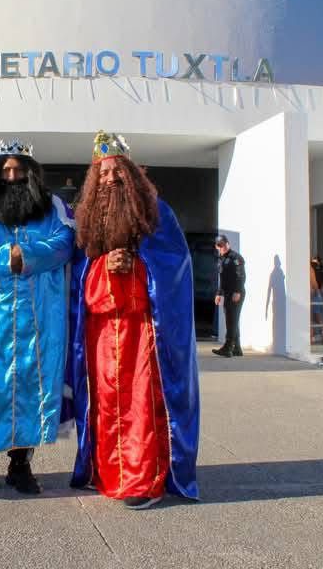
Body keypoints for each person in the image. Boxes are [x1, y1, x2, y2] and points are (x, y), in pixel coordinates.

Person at [66, 131, 200, 510]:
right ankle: (107, 472)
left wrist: (137, 266)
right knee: (105, 402)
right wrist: (104, 268)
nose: (110, 179)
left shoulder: (158, 212)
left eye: (116, 172)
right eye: (102, 174)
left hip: (143, 327)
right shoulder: (88, 217)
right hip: (100, 328)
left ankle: (142, 480)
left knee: (141, 403)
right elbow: (77, 275)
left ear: (130, 172)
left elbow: (175, 265)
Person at [0, 139, 75, 495]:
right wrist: (6, 258)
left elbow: (65, 242)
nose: (12, 176)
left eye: (19, 169)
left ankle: (21, 463)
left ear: (30, 172)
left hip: (38, 316)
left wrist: (29, 254)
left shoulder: (52, 206)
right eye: (5, 170)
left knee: (32, 385)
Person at [212, 234, 246, 358]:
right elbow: (222, 279)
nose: (223, 247)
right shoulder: (221, 259)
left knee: (232, 320)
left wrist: (237, 291)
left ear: (228, 243)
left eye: (224, 244)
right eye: (220, 245)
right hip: (228, 293)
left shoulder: (235, 258)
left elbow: (241, 275)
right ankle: (237, 348)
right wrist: (219, 294)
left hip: (236, 293)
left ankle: (228, 348)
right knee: (232, 320)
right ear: (217, 247)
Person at [310, 256, 323, 343]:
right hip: (318, 295)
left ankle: (317, 336)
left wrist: (316, 290)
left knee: (315, 317)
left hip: (315, 295)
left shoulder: (311, 269)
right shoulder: (321, 270)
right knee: (318, 317)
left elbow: (314, 283)